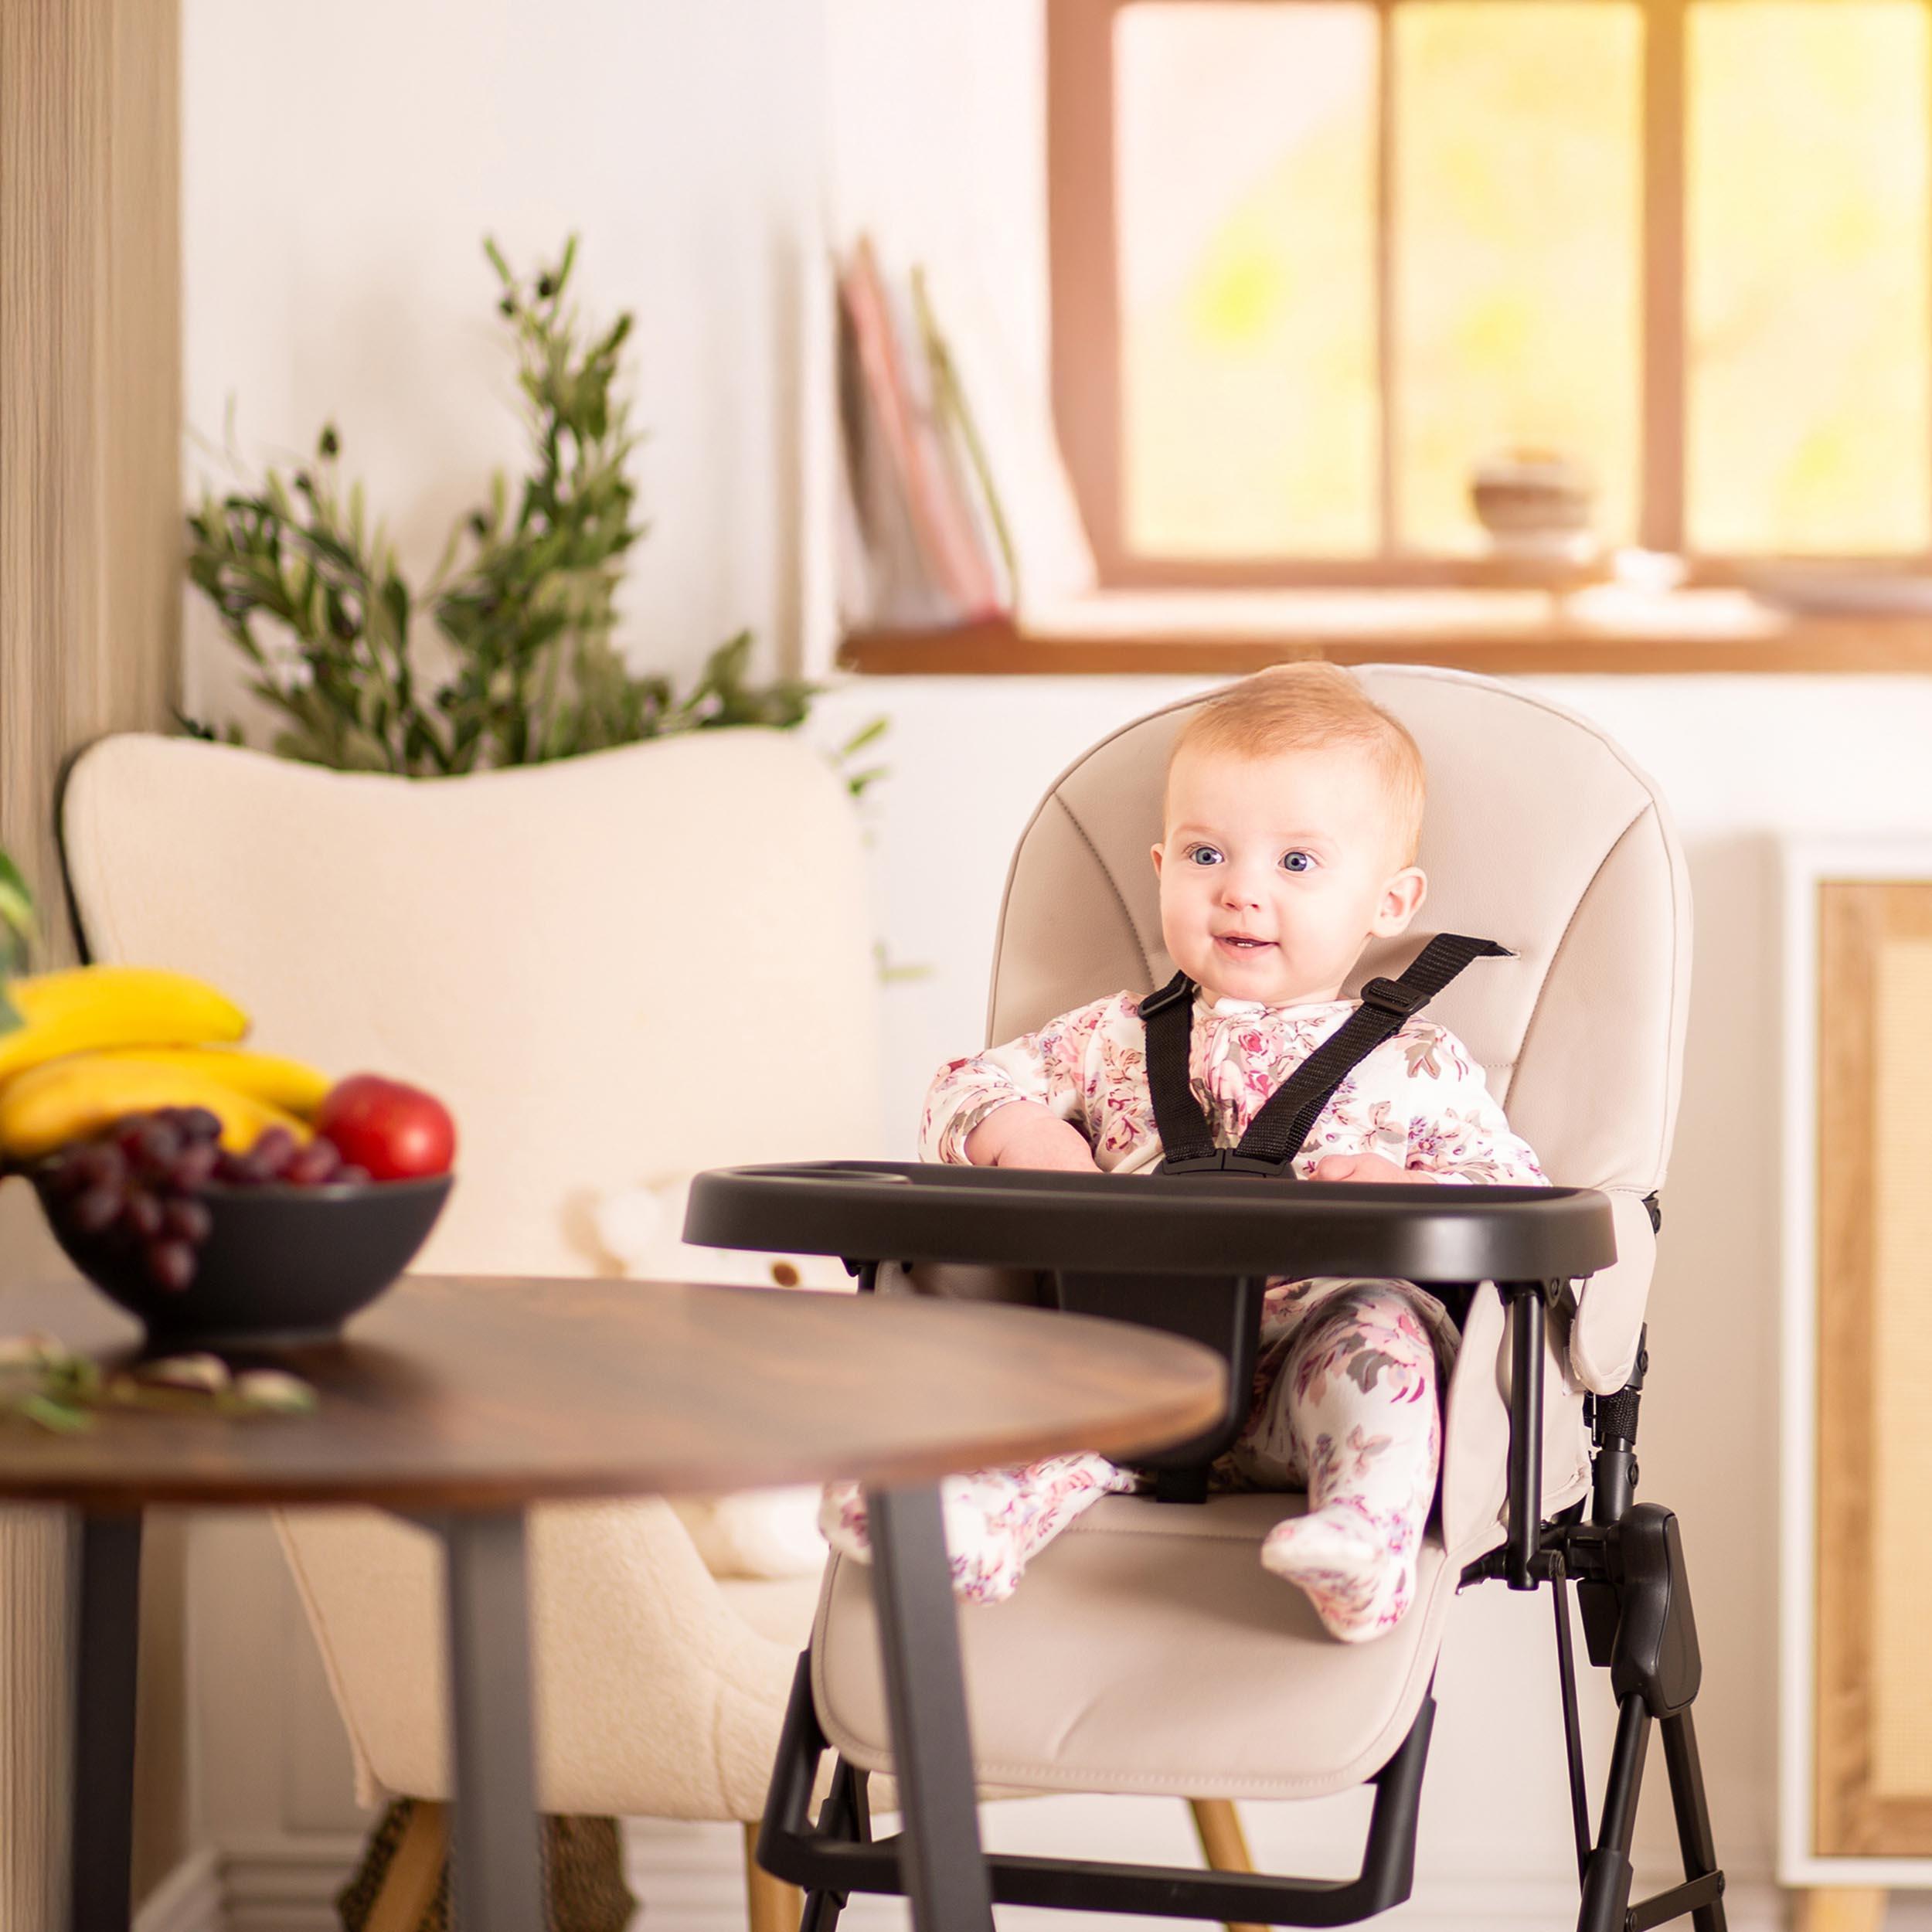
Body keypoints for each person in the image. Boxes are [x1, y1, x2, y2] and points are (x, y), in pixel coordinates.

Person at [821, 664, 1547, 1641]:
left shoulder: (1413, 1061)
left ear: (1389, 902)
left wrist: (1409, 1189)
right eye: (1208, 854)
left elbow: (1518, 1196)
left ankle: (1363, 1538)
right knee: (1005, 1372)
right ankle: (968, 1520)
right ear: (1160, 867)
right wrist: (1027, 1132)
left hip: (1308, 1359)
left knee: (1386, 1341)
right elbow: (961, 1088)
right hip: (1120, 1359)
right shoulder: (1106, 1038)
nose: (1242, 892)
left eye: (1296, 864)